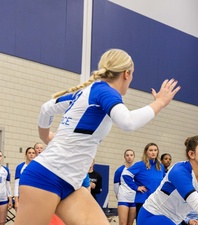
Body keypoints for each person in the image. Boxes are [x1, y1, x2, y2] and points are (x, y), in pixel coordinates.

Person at [14, 48, 180, 225]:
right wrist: (159, 103)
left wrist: (46, 136)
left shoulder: (87, 93)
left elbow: (46, 108)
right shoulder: (105, 92)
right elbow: (128, 121)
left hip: (71, 184)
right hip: (46, 176)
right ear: (126, 74)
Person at [137, 135, 198, 225]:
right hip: (153, 215)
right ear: (191, 154)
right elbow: (197, 204)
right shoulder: (179, 171)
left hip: (174, 220)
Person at [122, 143, 165, 219]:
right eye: (151, 150)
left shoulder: (160, 166)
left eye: (155, 150)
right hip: (143, 200)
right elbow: (126, 174)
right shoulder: (140, 165)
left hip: (157, 201)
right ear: (146, 152)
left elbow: (164, 181)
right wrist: (136, 187)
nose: (153, 152)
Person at [114, 149, 136, 225]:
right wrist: (117, 194)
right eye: (127, 155)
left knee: (130, 223)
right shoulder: (120, 170)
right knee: (123, 223)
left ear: (134, 157)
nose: (129, 157)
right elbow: (116, 185)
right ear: (124, 157)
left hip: (133, 198)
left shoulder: (137, 170)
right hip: (123, 197)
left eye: (131, 155)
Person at [14, 146, 36, 211]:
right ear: (26, 154)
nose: (31, 154)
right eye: (29, 153)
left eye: (33, 153)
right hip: (22, 198)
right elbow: (16, 185)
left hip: (34, 198)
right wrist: (16, 201)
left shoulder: (37, 167)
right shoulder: (20, 167)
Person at [0, 151, 12, 225]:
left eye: (0, 156)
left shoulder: (5, 170)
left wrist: (10, 199)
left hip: (3, 199)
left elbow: (8, 185)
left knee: (2, 222)